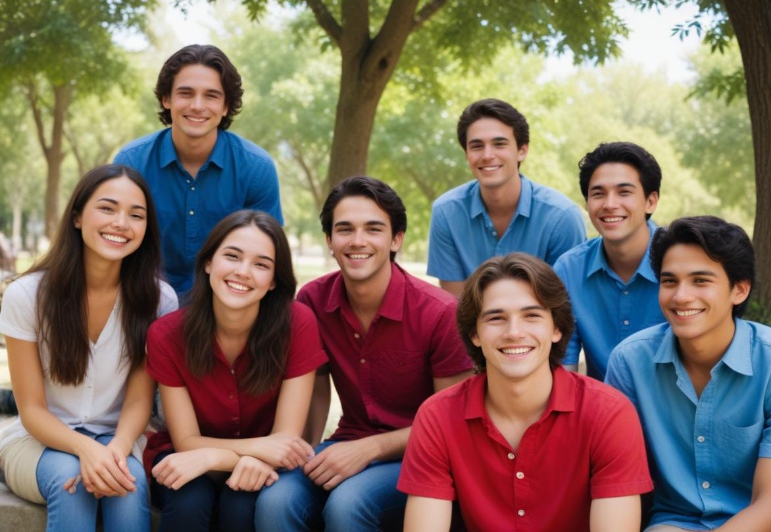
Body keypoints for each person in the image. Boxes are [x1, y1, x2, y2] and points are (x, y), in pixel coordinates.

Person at [256, 176, 474, 531]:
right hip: (346, 441)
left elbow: (453, 421)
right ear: (329, 241)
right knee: (276, 500)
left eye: (373, 229)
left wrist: (370, 449)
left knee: (348, 503)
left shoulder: (439, 312)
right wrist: (303, 455)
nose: (358, 241)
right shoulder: (312, 301)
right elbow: (314, 392)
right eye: (345, 229)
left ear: (396, 239)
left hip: (423, 454)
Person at [399, 252, 653, 531]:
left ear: (556, 327)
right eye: (496, 318)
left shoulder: (609, 414)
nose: (514, 332)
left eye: (531, 315)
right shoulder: (438, 416)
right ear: (475, 333)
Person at [0, 164, 178, 531]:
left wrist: (115, 449)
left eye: (136, 215)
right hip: (37, 441)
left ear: (147, 229)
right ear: (78, 217)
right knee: (72, 485)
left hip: (121, 438)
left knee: (127, 486)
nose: (121, 223)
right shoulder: (26, 295)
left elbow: (138, 401)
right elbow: (31, 410)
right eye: (108, 208)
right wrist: (86, 449)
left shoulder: (159, 300)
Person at [606, 216, 771, 531]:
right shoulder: (629, 362)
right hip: (675, 522)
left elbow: (770, 505)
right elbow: (618, 476)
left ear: (739, 290)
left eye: (700, 280)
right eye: (670, 281)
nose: (681, 296)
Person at [145, 210, 327, 532]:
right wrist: (253, 450)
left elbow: (285, 441)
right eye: (232, 256)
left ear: (273, 281)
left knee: (242, 502)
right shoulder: (166, 334)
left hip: (263, 464)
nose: (243, 272)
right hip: (185, 458)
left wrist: (216, 457)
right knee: (189, 497)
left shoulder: (298, 323)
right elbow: (186, 441)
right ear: (208, 263)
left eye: (261, 264)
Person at [114, 44, 283, 302]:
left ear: (226, 105)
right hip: (143, 304)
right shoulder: (131, 162)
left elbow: (267, 255)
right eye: (185, 93)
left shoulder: (257, 168)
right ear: (166, 99)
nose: (197, 105)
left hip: (227, 308)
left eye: (211, 96)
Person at [427, 98, 585, 296]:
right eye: (476, 146)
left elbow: (565, 305)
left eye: (499, 144)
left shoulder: (562, 217)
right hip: (472, 326)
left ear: (522, 151)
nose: (487, 155)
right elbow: (455, 304)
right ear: (466, 154)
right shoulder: (446, 212)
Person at [554, 141, 665, 379]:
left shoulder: (682, 261)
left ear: (650, 201)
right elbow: (565, 370)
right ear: (586, 203)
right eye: (598, 194)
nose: (610, 204)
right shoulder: (569, 269)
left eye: (624, 192)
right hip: (601, 411)